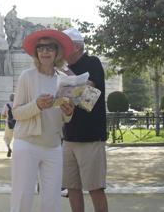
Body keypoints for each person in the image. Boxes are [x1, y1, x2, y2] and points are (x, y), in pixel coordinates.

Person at [11, 29, 75, 212]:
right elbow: (16, 113)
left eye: (50, 48)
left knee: (52, 199)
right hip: (27, 143)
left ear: (57, 52)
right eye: (41, 48)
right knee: (22, 196)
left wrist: (68, 112)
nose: (45, 52)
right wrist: (36, 105)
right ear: (36, 53)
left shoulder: (65, 80)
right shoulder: (27, 76)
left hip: (53, 145)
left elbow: (65, 118)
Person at [61, 28, 108, 212]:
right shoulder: (62, 68)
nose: (61, 49)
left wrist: (68, 84)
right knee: (72, 188)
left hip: (91, 137)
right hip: (69, 136)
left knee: (95, 188)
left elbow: (89, 97)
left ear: (77, 46)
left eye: (65, 45)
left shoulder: (92, 62)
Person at [1, 93, 15, 157]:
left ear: (10, 98)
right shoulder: (18, 105)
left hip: (9, 124)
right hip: (18, 124)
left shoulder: (7, 105)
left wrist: (6, 116)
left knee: (6, 138)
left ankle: (9, 148)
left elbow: (3, 116)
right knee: (17, 139)